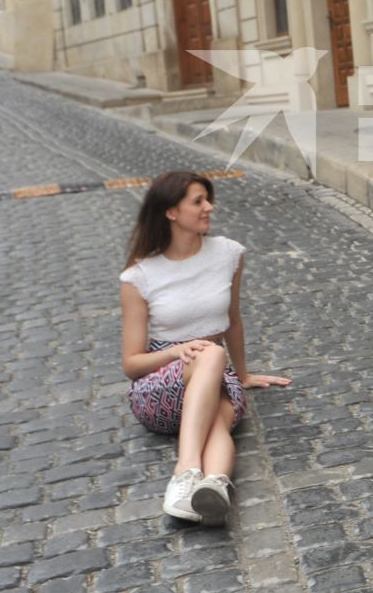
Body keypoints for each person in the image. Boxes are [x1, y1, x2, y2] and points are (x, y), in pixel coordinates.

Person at [119, 171, 290, 524]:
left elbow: (232, 320)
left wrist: (242, 376)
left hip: (219, 375)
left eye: (208, 199)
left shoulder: (228, 254)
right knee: (211, 353)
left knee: (219, 420)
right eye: (198, 201)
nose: (209, 207)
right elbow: (132, 364)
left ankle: (212, 486)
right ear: (171, 212)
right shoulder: (140, 276)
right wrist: (176, 351)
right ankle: (185, 471)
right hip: (161, 385)